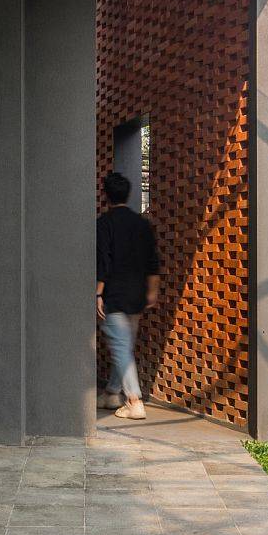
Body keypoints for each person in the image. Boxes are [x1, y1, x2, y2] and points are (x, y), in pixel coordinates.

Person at [96, 170, 159, 420]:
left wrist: (98, 293)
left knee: (121, 346)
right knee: (124, 345)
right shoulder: (142, 224)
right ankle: (112, 393)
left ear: (105, 195)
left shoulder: (104, 223)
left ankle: (134, 401)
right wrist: (152, 293)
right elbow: (153, 261)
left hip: (114, 295)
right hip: (137, 295)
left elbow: (104, 260)